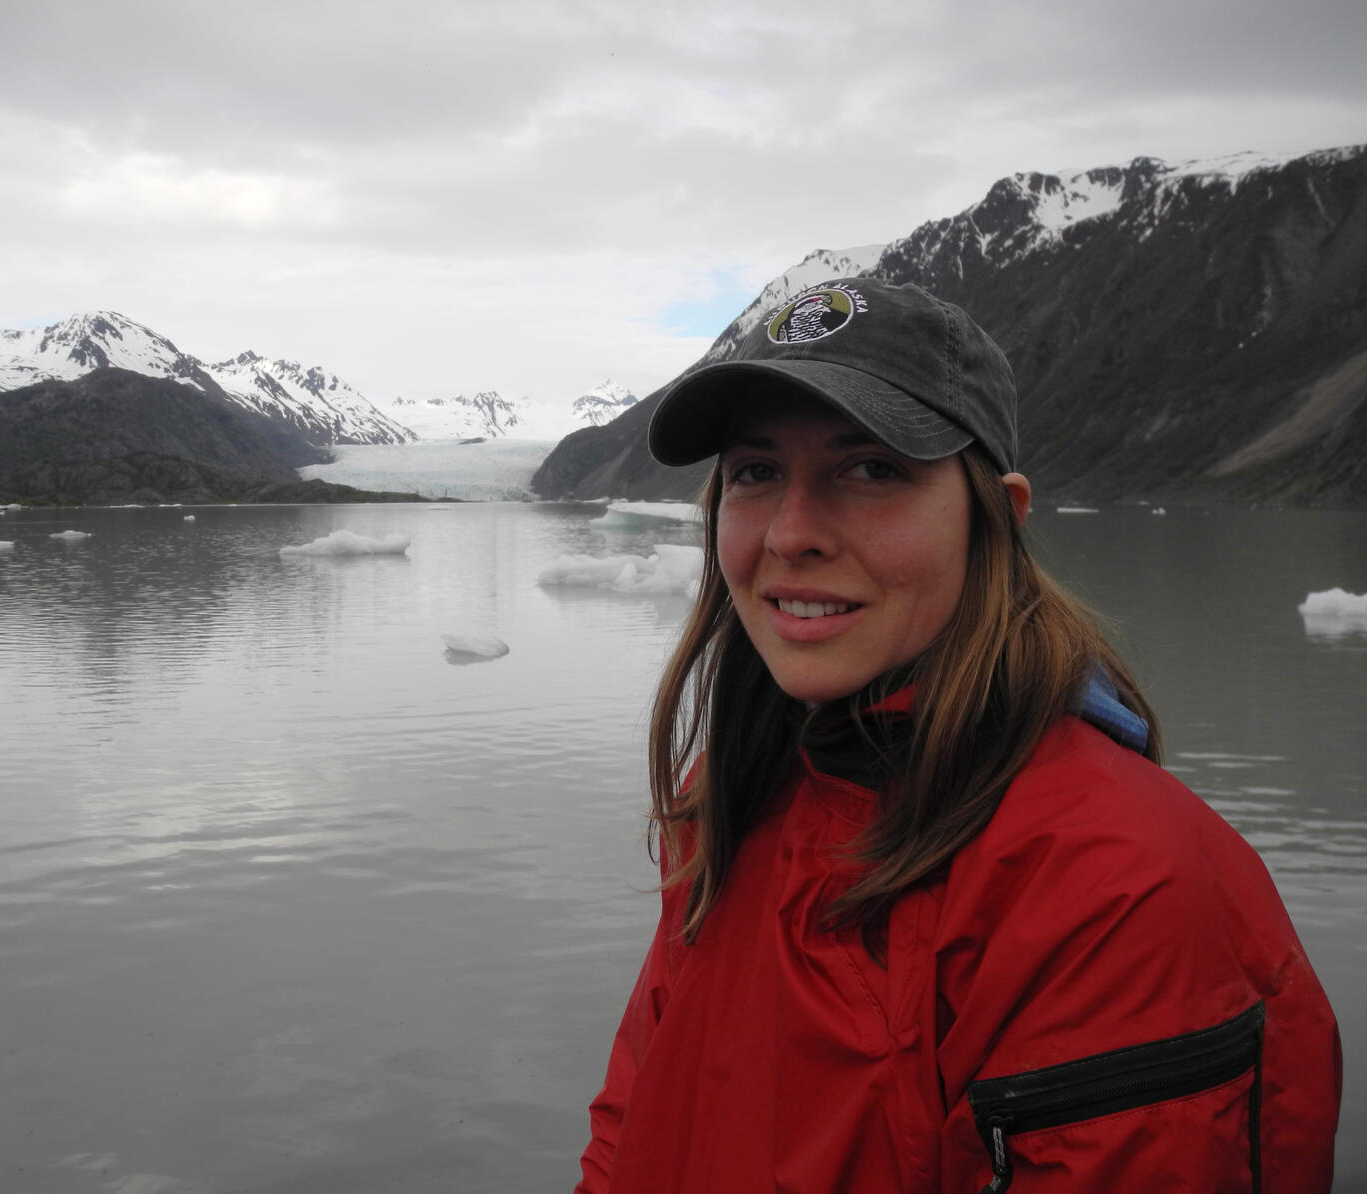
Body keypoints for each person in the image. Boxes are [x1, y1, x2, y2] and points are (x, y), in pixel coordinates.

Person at [574, 279, 1341, 1193]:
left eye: (872, 469)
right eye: (755, 471)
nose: (790, 533)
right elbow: (637, 1121)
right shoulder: (733, 792)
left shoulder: (1112, 886)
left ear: (997, 519)